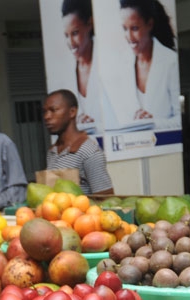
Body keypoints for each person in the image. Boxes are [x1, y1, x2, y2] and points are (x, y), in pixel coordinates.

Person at [120, 0, 181, 129]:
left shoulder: (171, 62)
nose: (129, 36)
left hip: (164, 141)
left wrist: (152, 123)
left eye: (134, 28)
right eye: (125, 29)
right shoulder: (123, 64)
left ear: (149, 24)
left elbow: (180, 119)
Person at [43, 89, 114, 195]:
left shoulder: (89, 152)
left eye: (53, 110)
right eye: (44, 111)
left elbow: (106, 198)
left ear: (72, 112)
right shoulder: (52, 151)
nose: (46, 116)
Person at [60, 0, 103, 131]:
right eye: (66, 35)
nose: (71, 42)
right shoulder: (66, 72)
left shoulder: (107, 61)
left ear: (89, 24)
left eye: (75, 33)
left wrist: (94, 125)